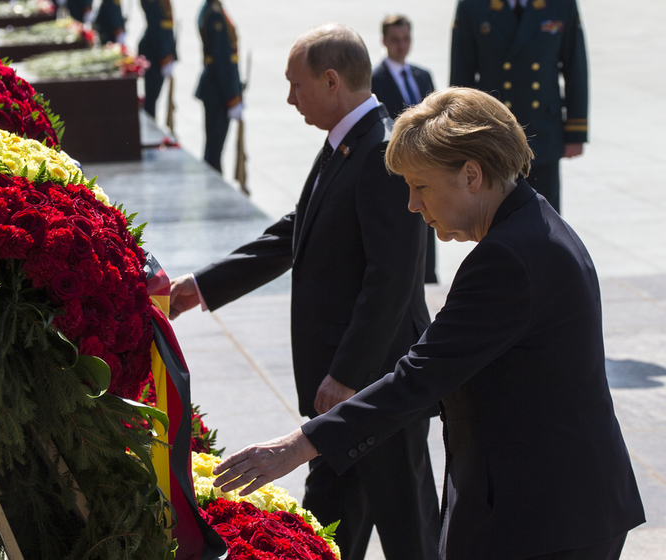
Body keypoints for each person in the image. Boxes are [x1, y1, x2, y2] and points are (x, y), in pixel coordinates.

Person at [211, 87, 646, 560]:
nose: (414, 206)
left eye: (420, 186)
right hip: (562, 507)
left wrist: (298, 446)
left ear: (471, 176)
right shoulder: (533, 224)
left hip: (542, 520)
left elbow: (420, 376)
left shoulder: (505, 258)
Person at [172, 24, 440, 560]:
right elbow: (296, 231)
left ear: (332, 80)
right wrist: (202, 287)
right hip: (341, 391)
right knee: (327, 528)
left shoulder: (381, 151)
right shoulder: (347, 144)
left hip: (374, 385)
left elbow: (391, 278)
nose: (290, 98)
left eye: (296, 84)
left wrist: (345, 373)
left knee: (409, 530)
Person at [450, 0, 588, 214]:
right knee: (498, 218)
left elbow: (575, 67)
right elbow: (461, 75)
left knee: (546, 218)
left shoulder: (561, 4)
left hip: (542, 130)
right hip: (494, 135)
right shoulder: (472, 5)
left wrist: (576, 131)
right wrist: (461, 134)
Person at [371, 13, 438, 283]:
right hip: (397, 171)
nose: (402, 45)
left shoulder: (423, 76)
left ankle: (429, 275)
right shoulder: (375, 80)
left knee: (430, 223)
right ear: (385, 41)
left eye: (406, 38)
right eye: (395, 39)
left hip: (427, 169)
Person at [195, 0, 243, 173]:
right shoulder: (214, 13)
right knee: (214, 151)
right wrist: (232, 97)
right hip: (219, 91)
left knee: (213, 148)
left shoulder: (211, 9)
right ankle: (213, 187)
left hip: (215, 89)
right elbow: (222, 60)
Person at [139, 0, 177, 119]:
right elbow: (156, 26)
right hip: (155, 54)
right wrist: (164, 56)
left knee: (153, 97)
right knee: (151, 99)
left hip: (160, 52)